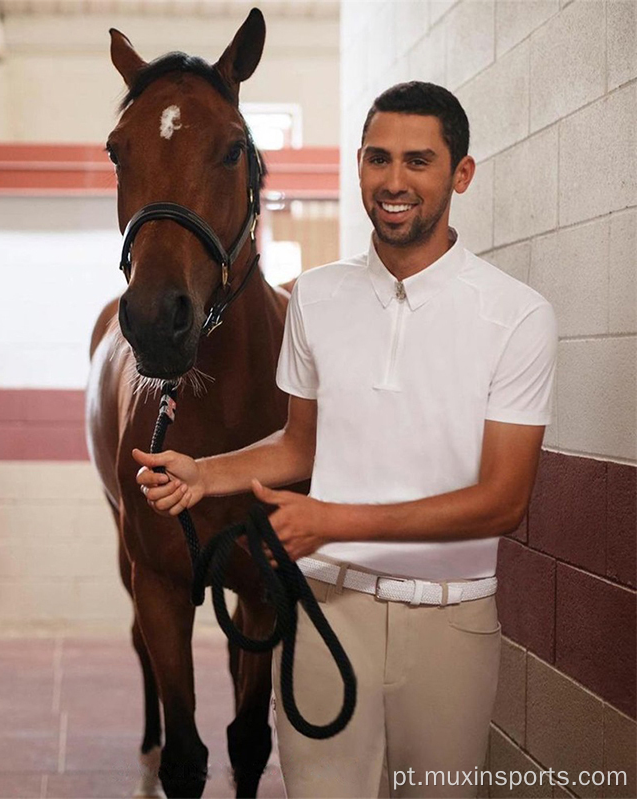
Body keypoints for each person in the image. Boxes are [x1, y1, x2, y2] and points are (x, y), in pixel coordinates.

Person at [133, 81, 557, 799]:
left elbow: (501, 502)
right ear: (358, 164)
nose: (394, 182)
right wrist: (205, 473)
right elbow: (300, 447)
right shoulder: (317, 299)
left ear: (461, 174)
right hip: (325, 613)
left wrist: (334, 522)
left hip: (449, 622)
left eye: (418, 161)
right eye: (378, 159)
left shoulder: (517, 316)